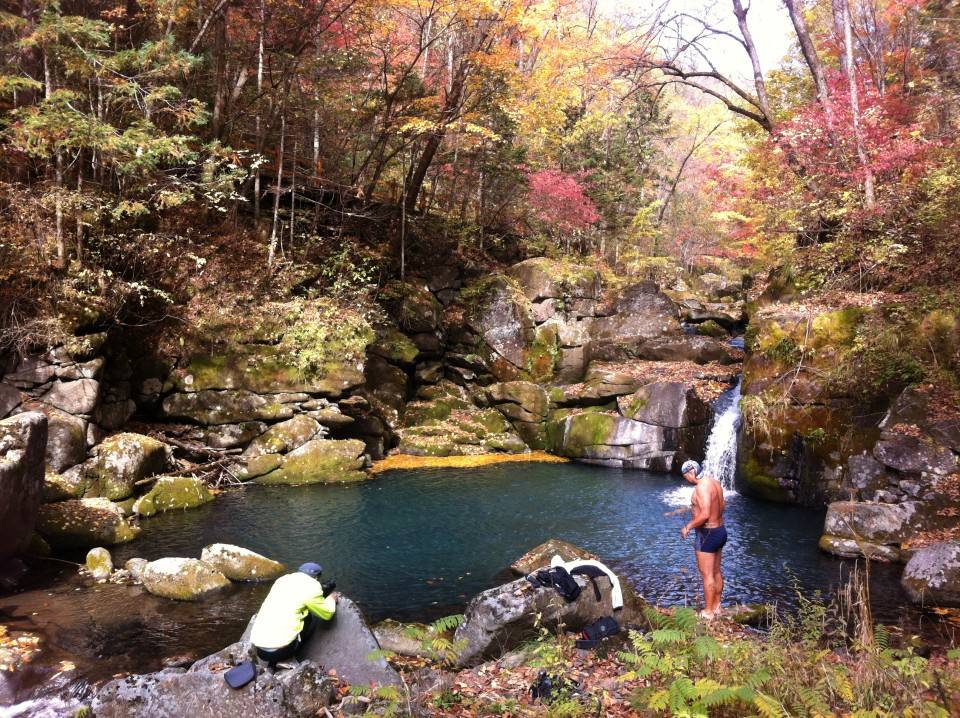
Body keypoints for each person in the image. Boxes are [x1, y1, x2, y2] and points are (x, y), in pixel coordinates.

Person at [250, 562, 338, 667]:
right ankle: (291, 655)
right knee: (311, 617)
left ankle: (273, 663)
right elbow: (327, 614)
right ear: (317, 577)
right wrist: (331, 599)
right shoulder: (312, 586)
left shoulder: (282, 580)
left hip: (260, 651)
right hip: (281, 651)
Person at [678, 460, 727, 619]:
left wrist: (688, 527)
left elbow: (705, 514)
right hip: (720, 531)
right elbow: (722, 506)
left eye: (686, 476)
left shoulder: (701, 487)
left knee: (707, 575)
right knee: (716, 571)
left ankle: (708, 612)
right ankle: (717, 607)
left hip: (707, 534)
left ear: (691, 472)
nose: (686, 479)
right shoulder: (714, 482)